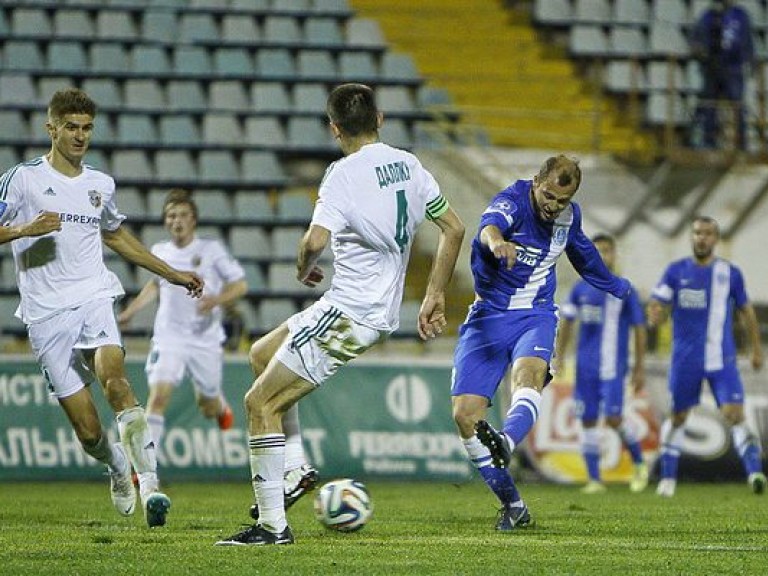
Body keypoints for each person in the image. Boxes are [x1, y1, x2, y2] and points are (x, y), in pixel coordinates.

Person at [216, 83, 465, 546]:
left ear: (334, 129)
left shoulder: (342, 174)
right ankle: (294, 469)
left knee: (258, 403)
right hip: (361, 308)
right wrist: (435, 294)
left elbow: (314, 241)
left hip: (352, 311)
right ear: (381, 119)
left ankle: (272, 527)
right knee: (260, 354)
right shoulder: (408, 164)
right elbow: (454, 228)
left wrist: (303, 267)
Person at [0, 88, 204, 527]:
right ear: (50, 128)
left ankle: (150, 485)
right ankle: (115, 466)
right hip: (44, 314)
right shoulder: (22, 179)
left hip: (93, 296)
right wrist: (24, 229)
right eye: (71, 127)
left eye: (87, 128)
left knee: (116, 382)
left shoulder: (100, 184)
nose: (80, 136)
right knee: (89, 431)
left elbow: (114, 235)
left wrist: (171, 273)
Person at [452, 155, 633, 531]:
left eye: (561, 201)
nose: (552, 206)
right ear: (537, 181)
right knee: (464, 415)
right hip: (488, 315)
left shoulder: (569, 217)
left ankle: (507, 439)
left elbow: (583, 254)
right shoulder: (513, 200)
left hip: (536, 314)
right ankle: (513, 505)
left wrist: (618, 286)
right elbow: (488, 226)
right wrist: (498, 242)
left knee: (528, 376)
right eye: (548, 195)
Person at [118, 189, 247, 454]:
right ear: (165, 221)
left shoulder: (211, 251)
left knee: (207, 406)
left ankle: (219, 405)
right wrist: (130, 312)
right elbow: (154, 286)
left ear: (193, 220)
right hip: (169, 337)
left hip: (205, 339)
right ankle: (145, 468)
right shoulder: (159, 251)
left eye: (183, 215)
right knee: (158, 397)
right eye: (171, 216)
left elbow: (241, 285)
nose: (177, 221)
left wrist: (217, 300)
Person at [648, 216, 765, 497]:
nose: (701, 238)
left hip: (721, 358)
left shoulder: (730, 273)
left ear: (716, 239)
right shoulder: (676, 272)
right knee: (678, 417)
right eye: (697, 233)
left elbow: (746, 311)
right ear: (691, 237)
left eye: (707, 233)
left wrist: (756, 348)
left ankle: (755, 474)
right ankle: (667, 480)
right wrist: (656, 314)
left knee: (734, 413)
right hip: (685, 359)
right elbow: (658, 303)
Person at [553, 233, 648, 494]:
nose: (603, 255)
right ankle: (594, 479)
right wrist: (560, 357)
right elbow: (567, 324)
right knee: (587, 420)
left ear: (614, 254)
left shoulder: (624, 289)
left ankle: (640, 463)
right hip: (585, 367)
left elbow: (640, 329)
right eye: (598, 251)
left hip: (613, 366)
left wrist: (639, 367)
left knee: (615, 417)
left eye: (607, 250)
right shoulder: (580, 289)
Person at [690, 0, 754, 150]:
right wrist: (699, 50)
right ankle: (709, 141)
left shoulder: (740, 15)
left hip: (734, 68)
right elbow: (696, 38)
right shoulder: (707, 15)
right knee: (709, 105)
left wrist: (750, 61)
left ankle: (741, 143)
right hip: (711, 68)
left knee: (737, 104)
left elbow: (747, 40)